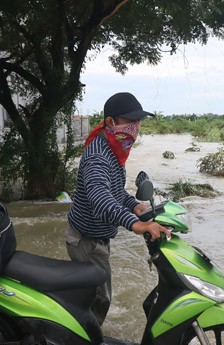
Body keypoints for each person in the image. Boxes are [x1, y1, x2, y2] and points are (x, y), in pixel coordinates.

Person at [65, 92, 169, 325]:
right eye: (130, 121)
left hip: (96, 237)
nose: (136, 127)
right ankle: (83, 344)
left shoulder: (113, 149)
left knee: (96, 295)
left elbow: (114, 191)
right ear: (110, 122)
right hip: (86, 240)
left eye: (139, 121)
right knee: (100, 298)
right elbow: (100, 199)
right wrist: (137, 224)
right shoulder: (98, 157)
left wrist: (134, 206)